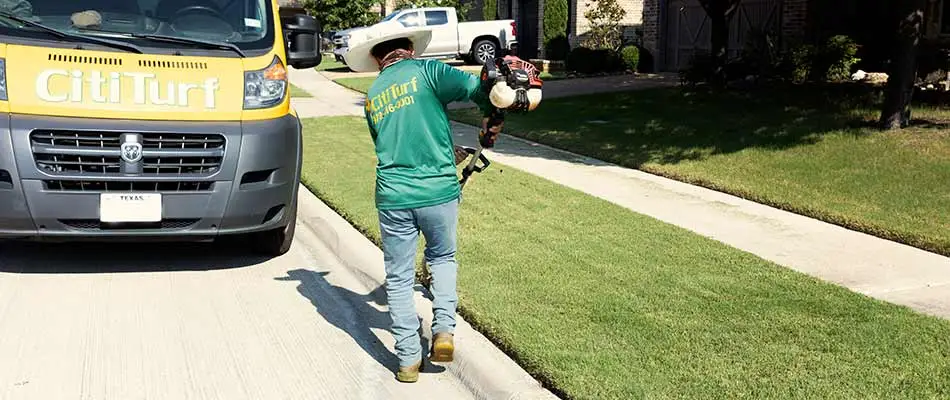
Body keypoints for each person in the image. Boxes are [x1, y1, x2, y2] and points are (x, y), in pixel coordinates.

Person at [343, 26, 505, 383]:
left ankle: (407, 361)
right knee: (443, 259)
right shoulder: (428, 71)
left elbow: (395, 145)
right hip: (438, 193)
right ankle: (444, 330)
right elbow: (478, 90)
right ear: (410, 50)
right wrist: (491, 110)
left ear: (376, 57)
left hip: (394, 196)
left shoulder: (374, 96)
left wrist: (453, 152)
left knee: (399, 279)